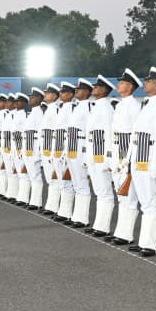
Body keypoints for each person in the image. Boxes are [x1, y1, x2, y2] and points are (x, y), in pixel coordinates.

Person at [126, 67, 156, 255]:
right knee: (145, 203)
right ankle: (145, 241)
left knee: (152, 202)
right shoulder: (148, 104)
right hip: (139, 159)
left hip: (149, 159)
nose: (144, 83)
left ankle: (151, 244)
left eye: (148, 80)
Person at [108, 69, 141, 244]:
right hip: (117, 149)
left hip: (126, 150)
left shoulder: (134, 106)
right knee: (120, 194)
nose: (118, 85)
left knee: (128, 195)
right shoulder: (121, 105)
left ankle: (126, 234)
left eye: (122, 83)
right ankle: (120, 231)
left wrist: (128, 160)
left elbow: (134, 136)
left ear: (129, 86)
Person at [85, 75, 118, 236]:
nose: (94, 88)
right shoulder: (97, 106)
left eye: (97, 86)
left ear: (105, 90)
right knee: (98, 191)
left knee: (105, 190)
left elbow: (109, 135)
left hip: (101, 154)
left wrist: (108, 158)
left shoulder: (106, 107)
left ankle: (103, 226)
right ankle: (99, 224)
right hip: (93, 153)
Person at [63, 79, 95, 227]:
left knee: (82, 183)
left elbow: (89, 132)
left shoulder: (88, 106)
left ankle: (82, 218)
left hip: (80, 147)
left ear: (88, 92)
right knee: (76, 183)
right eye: (76, 89)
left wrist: (86, 154)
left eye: (80, 89)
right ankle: (76, 215)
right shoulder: (77, 107)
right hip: (72, 147)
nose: (77, 91)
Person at [51, 83, 78, 221]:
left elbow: (69, 133)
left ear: (71, 94)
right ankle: (62, 211)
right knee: (62, 181)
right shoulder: (61, 108)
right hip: (57, 146)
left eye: (64, 92)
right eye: (61, 92)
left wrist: (65, 151)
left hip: (65, 147)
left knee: (67, 182)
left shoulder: (73, 108)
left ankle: (67, 213)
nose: (61, 94)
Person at [40, 84, 63, 214]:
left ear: (54, 96)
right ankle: (51, 206)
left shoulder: (55, 110)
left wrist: (51, 151)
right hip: (46, 147)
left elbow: (55, 133)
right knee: (50, 178)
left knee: (55, 178)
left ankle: (54, 207)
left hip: (51, 148)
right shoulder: (50, 109)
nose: (46, 95)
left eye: (48, 93)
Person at [23, 88, 46, 209]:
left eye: (33, 97)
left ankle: (36, 202)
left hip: (33, 148)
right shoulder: (33, 112)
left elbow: (39, 133)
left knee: (35, 175)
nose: (30, 98)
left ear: (39, 99)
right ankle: (33, 200)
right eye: (30, 96)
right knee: (32, 175)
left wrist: (38, 152)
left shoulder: (38, 113)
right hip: (28, 147)